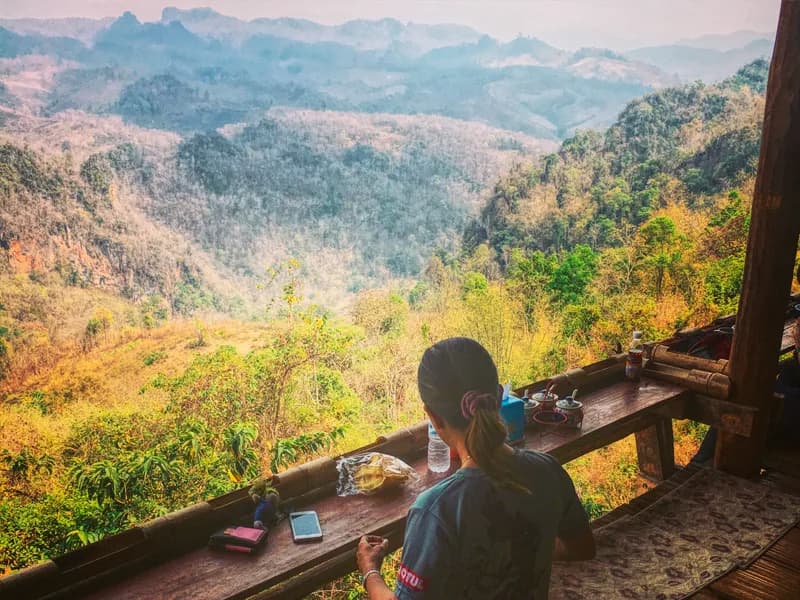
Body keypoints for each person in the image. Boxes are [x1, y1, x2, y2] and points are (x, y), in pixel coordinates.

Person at [356, 337, 595, 599]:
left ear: (433, 417)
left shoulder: (437, 510)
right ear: (498, 395)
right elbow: (582, 547)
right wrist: (520, 547)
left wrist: (370, 571)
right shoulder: (547, 470)